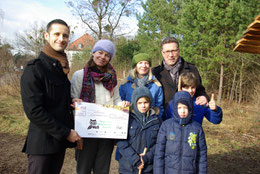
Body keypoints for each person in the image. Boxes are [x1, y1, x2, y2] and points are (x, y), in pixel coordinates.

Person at [20, 19, 81, 174]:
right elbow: (34, 112)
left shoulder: (60, 68)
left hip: (57, 144)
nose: (61, 39)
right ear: (46, 36)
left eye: (65, 36)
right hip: (42, 146)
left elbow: (56, 102)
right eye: (57, 34)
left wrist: (71, 101)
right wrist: (67, 133)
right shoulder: (35, 69)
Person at [71, 39, 128, 174]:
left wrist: (123, 106)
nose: (102, 57)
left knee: (102, 170)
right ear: (93, 53)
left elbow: (116, 100)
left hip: (106, 133)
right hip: (85, 132)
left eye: (107, 55)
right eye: (100, 53)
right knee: (83, 169)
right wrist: (75, 102)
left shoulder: (112, 78)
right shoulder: (79, 75)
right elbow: (72, 99)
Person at [154, 91, 207, 174]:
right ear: (175, 108)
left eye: (185, 107)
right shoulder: (166, 126)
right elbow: (159, 155)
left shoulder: (197, 128)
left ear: (190, 108)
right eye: (179, 108)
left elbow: (202, 157)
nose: (182, 111)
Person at [152, 36, 209, 112]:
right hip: (164, 119)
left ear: (178, 51)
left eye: (174, 51)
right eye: (167, 51)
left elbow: (200, 90)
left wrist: (203, 96)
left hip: (188, 116)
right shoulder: (155, 72)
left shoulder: (191, 69)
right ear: (162, 53)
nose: (171, 55)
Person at [117, 86, 162, 174]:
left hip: (147, 168)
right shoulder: (127, 119)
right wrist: (135, 159)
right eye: (139, 103)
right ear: (134, 103)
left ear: (150, 103)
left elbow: (159, 143)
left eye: (146, 102)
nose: (143, 106)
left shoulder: (156, 121)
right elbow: (121, 142)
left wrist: (147, 158)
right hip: (128, 167)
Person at [119, 53, 164, 118]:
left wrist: (154, 121)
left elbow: (159, 107)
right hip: (130, 122)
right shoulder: (125, 84)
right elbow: (119, 103)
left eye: (146, 63)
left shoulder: (156, 85)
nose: (144, 65)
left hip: (150, 123)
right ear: (135, 66)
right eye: (140, 63)